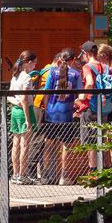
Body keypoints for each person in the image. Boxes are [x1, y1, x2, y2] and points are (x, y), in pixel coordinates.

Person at [74, 41, 112, 173]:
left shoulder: (87, 67)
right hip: (105, 106)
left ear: (86, 53)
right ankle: (103, 169)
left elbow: (89, 82)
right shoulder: (106, 67)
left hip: (91, 107)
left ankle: (93, 171)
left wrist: (81, 97)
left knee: (90, 142)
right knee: (101, 138)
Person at [40, 48, 81, 185]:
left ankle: (45, 176)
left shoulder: (52, 72)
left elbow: (46, 93)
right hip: (66, 114)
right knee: (65, 146)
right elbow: (80, 93)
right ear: (73, 60)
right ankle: (63, 177)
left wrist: (47, 109)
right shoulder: (75, 74)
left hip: (52, 113)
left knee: (48, 144)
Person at [28, 52, 62, 181]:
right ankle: (30, 171)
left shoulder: (46, 69)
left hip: (43, 107)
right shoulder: (50, 71)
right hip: (42, 107)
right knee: (38, 139)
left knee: (44, 140)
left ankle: (42, 173)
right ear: (59, 61)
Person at [7, 50, 38, 184]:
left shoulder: (15, 76)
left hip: (15, 111)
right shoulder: (26, 77)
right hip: (25, 111)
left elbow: (9, 96)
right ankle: (22, 175)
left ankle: (15, 174)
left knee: (16, 144)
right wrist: (27, 119)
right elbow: (25, 99)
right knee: (25, 144)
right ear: (29, 62)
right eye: (35, 62)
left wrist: (16, 102)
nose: (36, 65)